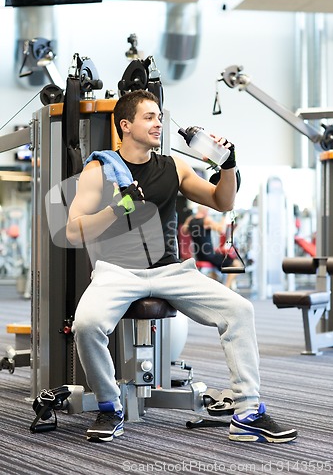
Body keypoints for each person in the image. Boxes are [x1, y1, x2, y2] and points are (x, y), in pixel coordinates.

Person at [66, 89, 297, 444]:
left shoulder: (174, 166)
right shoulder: (100, 169)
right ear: (125, 125)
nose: (158, 122)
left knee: (240, 309)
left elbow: (222, 201)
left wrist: (229, 165)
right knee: (86, 324)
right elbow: (72, 229)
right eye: (149, 117)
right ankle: (109, 406)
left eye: (159, 116)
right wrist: (118, 208)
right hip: (118, 271)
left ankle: (248, 411)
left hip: (170, 271)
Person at [181, 206, 242, 289]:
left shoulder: (190, 219)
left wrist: (190, 220)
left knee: (215, 272)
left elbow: (184, 230)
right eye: (208, 210)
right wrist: (224, 216)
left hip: (199, 255)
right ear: (205, 210)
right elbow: (221, 230)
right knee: (237, 265)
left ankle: (216, 285)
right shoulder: (206, 220)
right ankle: (226, 288)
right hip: (209, 255)